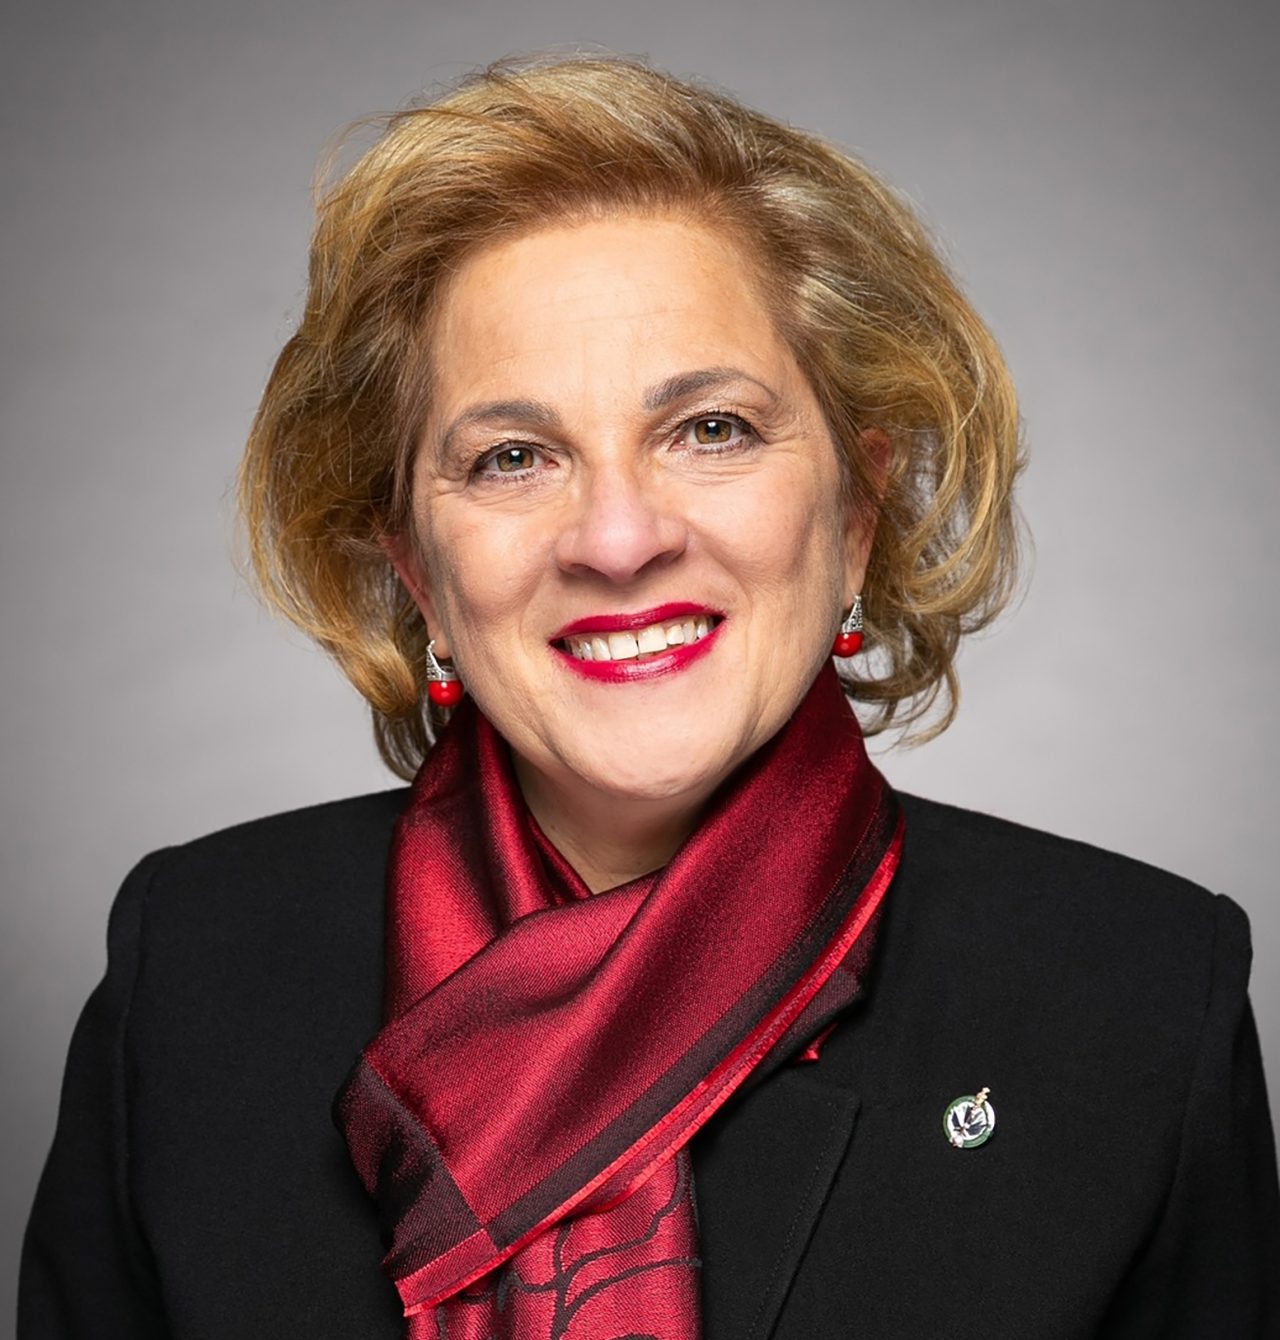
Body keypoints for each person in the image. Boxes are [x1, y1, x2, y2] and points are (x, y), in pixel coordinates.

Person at [19, 53, 1279, 1340]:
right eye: (513, 457)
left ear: (854, 513)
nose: (617, 539)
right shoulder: (192, 970)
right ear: (416, 570)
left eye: (711, 429)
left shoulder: (1129, 999)